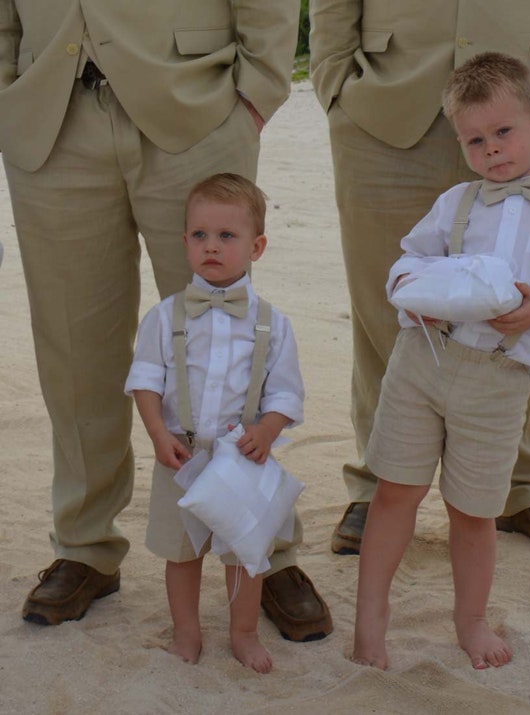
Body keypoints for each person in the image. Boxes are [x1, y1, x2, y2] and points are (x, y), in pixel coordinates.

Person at [1, 1, 331, 640]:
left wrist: (254, 94)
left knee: (231, 348)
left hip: (198, 110)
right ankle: (85, 545)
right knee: (73, 352)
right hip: (48, 117)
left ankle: (268, 547)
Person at [309, 0, 530, 560]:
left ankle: (525, 483)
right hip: (383, 109)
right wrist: (336, 85)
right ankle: (379, 478)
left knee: (528, 301)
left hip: (525, 94)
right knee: (384, 304)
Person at [353, 52, 530, 670]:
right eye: (475, 140)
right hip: (423, 361)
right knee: (395, 492)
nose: (491, 151)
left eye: (503, 133)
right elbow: (408, 262)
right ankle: (370, 622)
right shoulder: (457, 202)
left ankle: (472, 621)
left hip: (500, 380)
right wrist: (419, 296)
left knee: (474, 510)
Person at [126, 173, 313, 672]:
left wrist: (268, 430)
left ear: (257, 247)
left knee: (243, 556)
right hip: (180, 455)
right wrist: (158, 434)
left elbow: (286, 393)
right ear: (185, 242)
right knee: (181, 553)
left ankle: (244, 632)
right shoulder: (165, 317)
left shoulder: (273, 324)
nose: (212, 247)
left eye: (227, 236)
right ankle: (186, 631)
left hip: (241, 458)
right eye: (200, 236)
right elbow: (144, 380)